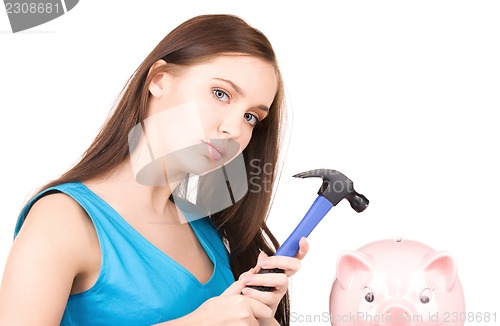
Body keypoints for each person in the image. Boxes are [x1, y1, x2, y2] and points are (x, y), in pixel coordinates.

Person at [0, 14, 309, 326]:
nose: (234, 129)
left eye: (251, 117)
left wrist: (258, 318)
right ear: (159, 80)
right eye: (220, 94)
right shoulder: (63, 219)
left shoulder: (208, 234)